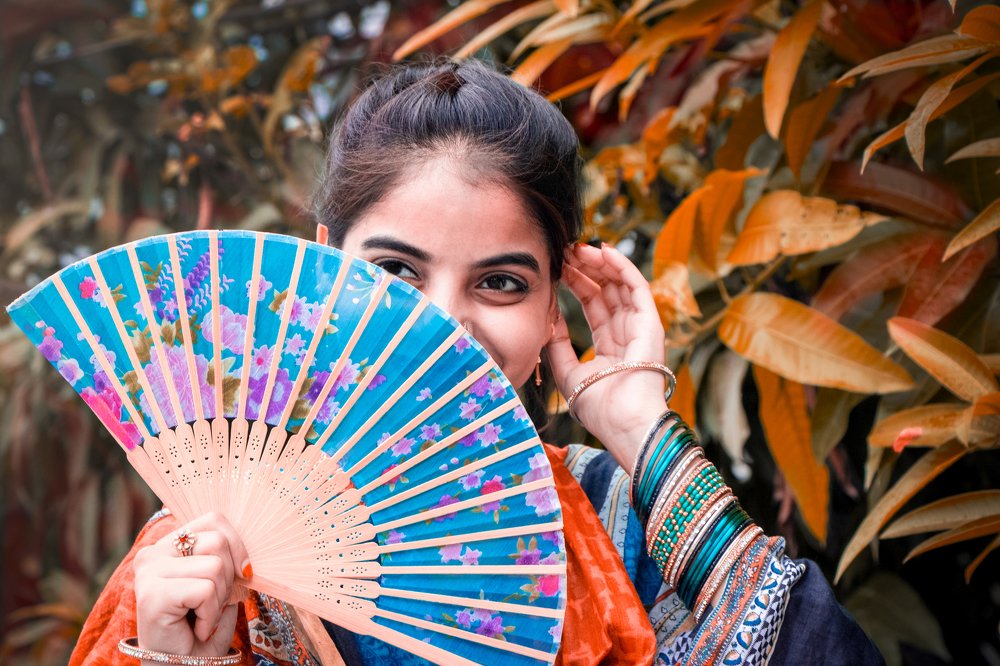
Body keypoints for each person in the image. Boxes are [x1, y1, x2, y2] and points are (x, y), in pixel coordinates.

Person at [71, 59, 883, 665]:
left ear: (551, 307)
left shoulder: (627, 519)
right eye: (395, 275)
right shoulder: (198, 554)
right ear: (321, 273)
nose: (444, 326)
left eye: (500, 282)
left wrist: (641, 430)